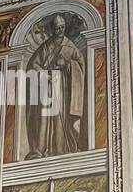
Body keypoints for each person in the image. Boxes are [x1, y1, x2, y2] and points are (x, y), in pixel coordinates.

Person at [24, 14, 86, 158]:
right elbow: (33, 65)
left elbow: (81, 65)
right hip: (47, 85)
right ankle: (41, 149)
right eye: (57, 28)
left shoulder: (70, 46)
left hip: (63, 86)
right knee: (44, 117)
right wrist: (45, 75)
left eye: (62, 27)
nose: (60, 30)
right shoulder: (45, 47)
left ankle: (61, 148)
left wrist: (68, 65)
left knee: (60, 117)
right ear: (52, 29)